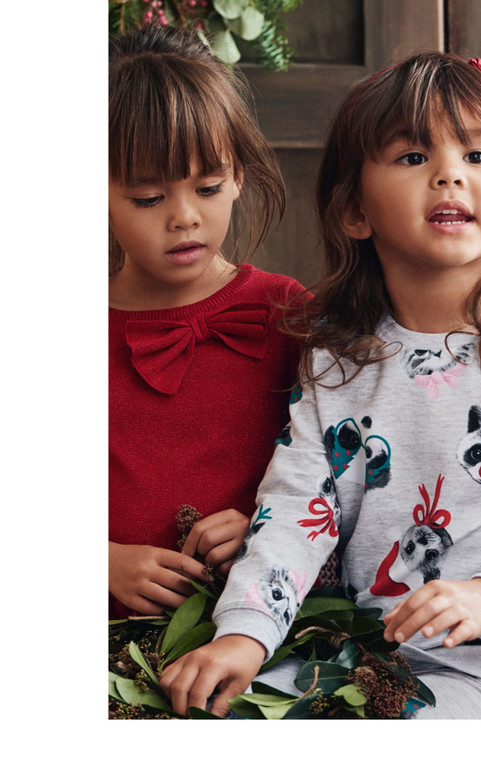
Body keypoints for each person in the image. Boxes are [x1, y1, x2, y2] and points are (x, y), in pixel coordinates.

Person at [160, 52, 481, 719]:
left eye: (476, 156)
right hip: (359, 660)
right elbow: (297, 509)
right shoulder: (337, 361)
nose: (449, 173)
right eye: (414, 156)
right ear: (355, 210)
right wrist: (244, 634)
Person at [109, 25, 306, 619]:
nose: (185, 217)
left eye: (209, 186)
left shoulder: (290, 313)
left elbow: (343, 483)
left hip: (260, 629)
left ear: (239, 175)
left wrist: (269, 531)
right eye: (148, 198)